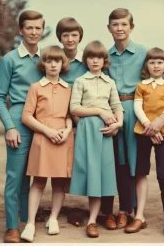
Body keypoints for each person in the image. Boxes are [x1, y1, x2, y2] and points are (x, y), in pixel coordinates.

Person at [100, 8, 164, 233]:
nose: (120, 28)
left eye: (124, 24)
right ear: (109, 28)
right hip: (113, 113)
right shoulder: (105, 55)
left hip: (140, 113)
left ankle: (132, 212)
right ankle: (121, 211)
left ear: (132, 27)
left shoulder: (146, 52)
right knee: (117, 163)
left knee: (137, 165)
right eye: (115, 24)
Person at [124, 47, 164, 243]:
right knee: (141, 172)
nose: (156, 66)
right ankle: (139, 217)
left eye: (160, 62)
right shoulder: (141, 86)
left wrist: (159, 127)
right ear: (146, 66)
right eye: (152, 62)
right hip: (143, 132)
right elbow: (137, 107)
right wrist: (148, 127)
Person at [0, 10, 45, 243]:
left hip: (43, 120)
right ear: (20, 30)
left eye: (38, 28)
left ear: (42, 30)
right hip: (18, 119)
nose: (34, 32)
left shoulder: (48, 58)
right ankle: (12, 227)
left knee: (32, 174)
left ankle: (27, 220)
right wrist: (9, 127)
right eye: (29, 28)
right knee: (15, 176)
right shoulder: (10, 59)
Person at [69, 40, 124, 238]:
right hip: (87, 131)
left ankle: (95, 217)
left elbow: (117, 107)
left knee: (103, 175)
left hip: (106, 132)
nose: (95, 61)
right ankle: (92, 221)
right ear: (86, 60)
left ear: (104, 60)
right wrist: (100, 111)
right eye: (91, 57)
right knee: (91, 172)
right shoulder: (80, 81)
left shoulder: (110, 82)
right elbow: (74, 108)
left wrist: (118, 124)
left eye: (99, 57)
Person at [20, 46, 74, 242]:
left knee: (59, 183)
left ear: (62, 64)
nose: (53, 64)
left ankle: (53, 219)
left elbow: (69, 116)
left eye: (57, 61)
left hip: (63, 138)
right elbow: (26, 116)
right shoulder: (36, 87)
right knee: (39, 182)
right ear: (43, 64)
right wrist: (47, 131)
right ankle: (30, 223)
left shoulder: (68, 89)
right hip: (43, 137)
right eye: (49, 61)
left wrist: (67, 131)